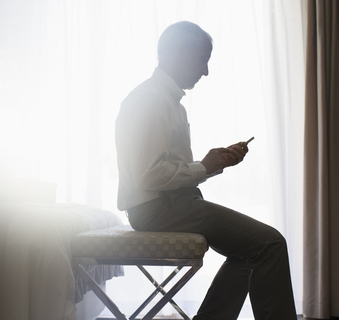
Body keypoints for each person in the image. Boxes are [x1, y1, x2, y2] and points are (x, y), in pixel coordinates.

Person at [115, 21, 297, 320]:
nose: (206, 71)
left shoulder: (168, 101)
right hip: (158, 208)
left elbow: (161, 170)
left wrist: (211, 166)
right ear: (182, 53)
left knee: (249, 251)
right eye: (203, 59)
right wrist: (204, 166)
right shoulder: (151, 100)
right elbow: (150, 175)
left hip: (168, 204)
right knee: (270, 243)